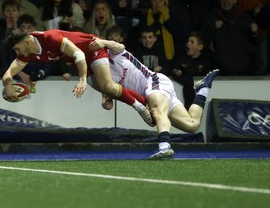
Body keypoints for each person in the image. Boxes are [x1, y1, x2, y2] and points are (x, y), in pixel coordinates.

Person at [88, 37, 220, 159]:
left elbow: (120, 45)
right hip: (150, 93)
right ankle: (203, 88)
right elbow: (108, 101)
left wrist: (103, 42)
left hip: (154, 81)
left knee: (157, 111)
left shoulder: (110, 51)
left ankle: (164, 146)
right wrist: (106, 100)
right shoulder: (96, 74)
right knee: (191, 125)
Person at [2, 28, 154, 126]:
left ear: (27, 42)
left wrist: (82, 80)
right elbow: (9, 73)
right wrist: (7, 85)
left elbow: (78, 53)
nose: (17, 53)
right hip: (80, 62)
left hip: (91, 48)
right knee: (109, 91)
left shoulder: (50, 37)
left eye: (17, 48)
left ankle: (140, 106)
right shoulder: (27, 52)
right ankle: (144, 104)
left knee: (107, 86)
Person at [200, 0, 257, 75]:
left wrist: (254, 32)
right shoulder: (212, 17)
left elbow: (253, 42)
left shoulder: (243, 16)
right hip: (219, 69)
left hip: (242, 68)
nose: (226, 0)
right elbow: (203, 41)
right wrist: (214, 29)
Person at [171, 32, 214, 108]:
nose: (188, 44)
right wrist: (177, 73)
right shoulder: (181, 58)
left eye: (192, 42)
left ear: (200, 47)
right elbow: (173, 69)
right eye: (188, 41)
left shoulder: (206, 60)